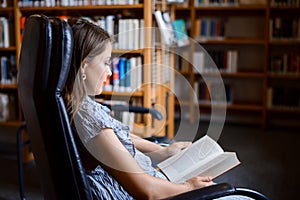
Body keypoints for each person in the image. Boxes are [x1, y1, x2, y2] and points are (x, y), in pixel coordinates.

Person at [62, 17, 215, 200]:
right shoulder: (88, 117)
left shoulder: (71, 102)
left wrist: (162, 152)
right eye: (105, 62)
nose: (110, 72)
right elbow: (148, 192)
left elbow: (112, 134)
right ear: (84, 65)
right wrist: (190, 187)